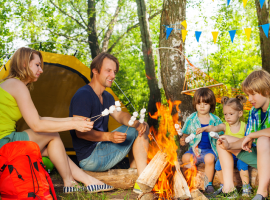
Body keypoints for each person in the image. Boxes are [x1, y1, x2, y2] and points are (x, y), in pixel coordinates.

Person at [0, 47, 111, 194]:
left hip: (5, 141)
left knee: (51, 148)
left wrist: (72, 120)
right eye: (37, 65)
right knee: (52, 135)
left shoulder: (10, 83)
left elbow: (39, 118)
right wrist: (73, 124)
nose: (41, 70)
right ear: (24, 64)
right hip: (4, 143)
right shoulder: (18, 86)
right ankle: (72, 182)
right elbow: (37, 125)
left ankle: (86, 181)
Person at [69, 52, 149, 194]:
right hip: (89, 158)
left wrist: (136, 123)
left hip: (101, 149)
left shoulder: (107, 96)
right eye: (108, 71)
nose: (113, 75)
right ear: (95, 71)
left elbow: (120, 115)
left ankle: (135, 174)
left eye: (114, 72)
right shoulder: (83, 95)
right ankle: (142, 182)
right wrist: (109, 137)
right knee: (139, 130)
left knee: (141, 127)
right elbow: (80, 133)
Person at [217, 70, 270, 200]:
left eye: (253, 94)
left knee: (263, 140)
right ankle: (229, 188)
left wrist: (253, 135)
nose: (249, 99)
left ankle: (262, 193)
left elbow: (252, 136)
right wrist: (229, 145)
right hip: (259, 158)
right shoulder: (253, 112)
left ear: (266, 91)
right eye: (248, 94)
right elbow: (245, 140)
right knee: (222, 139)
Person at [196, 95, 251, 196]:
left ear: (240, 113)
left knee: (242, 164)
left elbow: (249, 140)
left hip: (241, 153)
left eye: (231, 114)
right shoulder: (225, 126)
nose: (228, 117)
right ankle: (224, 185)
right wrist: (204, 129)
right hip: (228, 155)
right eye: (225, 114)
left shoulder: (245, 126)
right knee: (218, 165)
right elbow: (214, 128)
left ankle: (246, 187)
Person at [180, 88, 223, 194]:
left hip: (209, 150)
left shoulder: (216, 120)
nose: (202, 106)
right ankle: (192, 180)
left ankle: (208, 184)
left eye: (205, 103)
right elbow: (185, 133)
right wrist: (183, 139)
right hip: (195, 150)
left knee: (209, 159)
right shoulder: (191, 119)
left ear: (211, 104)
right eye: (199, 103)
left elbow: (221, 135)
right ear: (195, 104)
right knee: (185, 157)